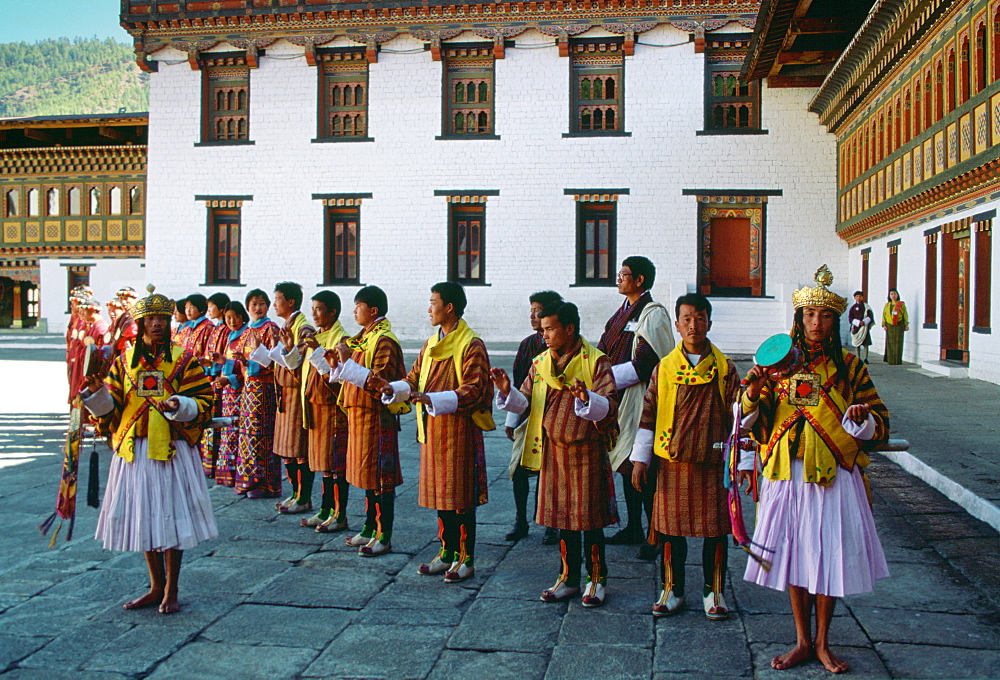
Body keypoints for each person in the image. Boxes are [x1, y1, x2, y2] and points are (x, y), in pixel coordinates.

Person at [741, 265, 890, 673]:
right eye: (809, 315)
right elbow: (755, 420)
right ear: (798, 318)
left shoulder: (849, 367)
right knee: (792, 555)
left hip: (833, 475)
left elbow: (880, 422)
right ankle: (802, 640)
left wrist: (859, 418)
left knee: (827, 557)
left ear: (835, 320)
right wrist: (753, 395)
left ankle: (824, 642)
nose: (815, 323)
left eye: (824, 316)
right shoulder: (776, 363)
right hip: (787, 474)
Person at [80, 285, 217, 615]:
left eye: (162, 318)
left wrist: (180, 404)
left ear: (169, 323)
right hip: (135, 450)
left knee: (170, 517)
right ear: (140, 324)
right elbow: (111, 410)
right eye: (150, 318)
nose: (156, 324)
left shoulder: (184, 360)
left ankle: (172, 588)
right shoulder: (123, 363)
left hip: (170, 450)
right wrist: (96, 393)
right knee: (145, 517)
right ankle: (155, 586)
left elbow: (205, 402)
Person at [492, 301, 619, 607]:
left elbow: (611, 406)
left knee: (589, 520)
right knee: (563, 519)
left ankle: (596, 579)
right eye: (542, 328)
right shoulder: (540, 364)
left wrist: (588, 398)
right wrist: (507, 391)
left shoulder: (595, 363)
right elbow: (526, 403)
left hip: (586, 450)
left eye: (549, 328)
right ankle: (568, 578)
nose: (544, 334)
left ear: (569, 329)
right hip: (552, 450)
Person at [629, 293, 740, 619]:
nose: (694, 325)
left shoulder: (724, 369)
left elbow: (738, 416)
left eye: (700, 318)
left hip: (713, 463)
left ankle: (714, 591)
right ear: (677, 325)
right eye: (687, 319)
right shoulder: (664, 369)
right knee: (669, 530)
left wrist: (754, 398)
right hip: (672, 463)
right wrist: (640, 459)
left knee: (715, 531)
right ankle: (672, 589)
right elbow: (649, 413)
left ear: (709, 322)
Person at [374, 282, 493, 583]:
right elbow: (413, 378)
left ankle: (466, 558)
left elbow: (475, 389)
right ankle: (446, 552)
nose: (429, 309)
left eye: (433, 302)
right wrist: (393, 389)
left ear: (449, 307)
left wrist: (434, 399)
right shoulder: (430, 344)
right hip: (433, 431)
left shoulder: (470, 344)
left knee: (461, 495)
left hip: (459, 431)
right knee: (442, 495)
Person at [598, 256, 675, 559]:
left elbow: (646, 364)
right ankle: (633, 527)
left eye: (624, 274)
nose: (619, 278)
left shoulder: (652, 314)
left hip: (639, 399)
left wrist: (603, 381)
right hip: (619, 399)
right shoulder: (622, 312)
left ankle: (656, 532)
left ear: (639, 280)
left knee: (643, 467)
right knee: (624, 465)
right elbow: (604, 348)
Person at [326, 285, 407, 556]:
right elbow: (351, 373)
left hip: (376, 416)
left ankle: (384, 535)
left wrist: (348, 363)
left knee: (381, 477)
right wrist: (336, 364)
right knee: (365, 475)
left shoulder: (384, 340)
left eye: (358, 306)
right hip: (358, 414)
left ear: (372, 310)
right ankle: (369, 527)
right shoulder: (362, 338)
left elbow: (382, 381)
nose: (354, 311)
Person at [505, 290, 563, 544]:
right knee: (518, 470)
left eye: (537, 310)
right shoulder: (528, 345)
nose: (533, 315)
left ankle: (549, 522)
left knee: (547, 473)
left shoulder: (565, 347)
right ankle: (521, 520)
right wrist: (511, 419)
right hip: (529, 417)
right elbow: (518, 383)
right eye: (531, 310)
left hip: (552, 418)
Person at [297, 290, 350, 532]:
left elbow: (337, 378)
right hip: (315, 405)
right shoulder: (318, 335)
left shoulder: (341, 339)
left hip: (332, 408)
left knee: (335, 462)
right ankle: (325, 509)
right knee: (322, 462)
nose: (314, 314)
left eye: (319, 309)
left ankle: (339, 514)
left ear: (333, 312)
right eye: (313, 309)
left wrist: (318, 351)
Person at [270, 282, 316, 513]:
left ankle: (303, 497)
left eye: (277, 298)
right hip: (285, 395)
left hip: (297, 394)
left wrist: (286, 350)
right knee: (286, 448)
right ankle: (295, 493)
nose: (274, 304)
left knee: (298, 448)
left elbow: (300, 362)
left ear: (290, 302)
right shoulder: (287, 326)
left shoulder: (303, 328)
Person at [236, 289, 283, 498]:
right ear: (248, 307)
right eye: (254, 304)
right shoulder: (247, 331)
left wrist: (251, 363)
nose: (258, 308)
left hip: (263, 389)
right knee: (248, 436)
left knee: (262, 436)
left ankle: (265, 483)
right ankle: (249, 480)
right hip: (249, 389)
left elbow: (274, 361)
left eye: (262, 303)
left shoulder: (270, 328)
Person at [209, 300, 250, 488]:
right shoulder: (231, 337)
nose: (232, 321)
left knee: (235, 431)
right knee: (227, 430)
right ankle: (227, 472)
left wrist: (230, 378)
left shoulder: (247, 336)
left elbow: (246, 366)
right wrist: (219, 362)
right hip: (228, 392)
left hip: (239, 391)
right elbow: (231, 362)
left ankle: (235, 472)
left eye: (235, 317)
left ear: (242, 317)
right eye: (228, 318)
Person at [198, 292, 232, 480]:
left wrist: (214, 367)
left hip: (220, 378)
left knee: (218, 421)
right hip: (211, 376)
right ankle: (209, 464)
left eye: (211, 306)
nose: (209, 310)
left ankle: (217, 463)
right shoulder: (216, 328)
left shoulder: (225, 329)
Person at [881, 288, 908, 365]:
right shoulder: (887, 305)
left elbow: (905, 315)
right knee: (890, 343)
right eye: (891, 294)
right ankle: (890, 360)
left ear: (897, 295)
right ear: (889, 296)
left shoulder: (901, 304)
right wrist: (884, 324)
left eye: (895, 294)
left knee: (898, 342)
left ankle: (897, 360)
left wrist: (906, 324)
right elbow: (884, 315)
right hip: (889, 325)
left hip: (899, 324)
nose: (893, 296)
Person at [847, 291, 874, 364]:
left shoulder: (866, 306)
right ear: (855, 298)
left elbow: (870, 316)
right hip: (856, 328)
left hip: (864, 328)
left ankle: (865, 358)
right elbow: (850, 318)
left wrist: (864, 321)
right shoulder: (852, 308)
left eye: (860, 296)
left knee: (866, 344)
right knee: (857, 344)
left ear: (862, 297)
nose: (859, 298)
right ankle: (858, 358)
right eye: (857, 296)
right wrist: (858, 322)